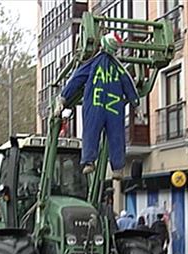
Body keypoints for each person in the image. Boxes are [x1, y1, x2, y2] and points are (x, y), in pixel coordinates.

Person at [54, 32, 140, 180]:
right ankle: (116, 167)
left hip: (95, 104)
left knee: (91, 131)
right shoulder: (119, 68)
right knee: (115, 135)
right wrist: (135, 103)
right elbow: (129, 85)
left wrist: (63, 98)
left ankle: (90, 161)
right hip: (114, 107)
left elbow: (77, 78)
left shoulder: (93, 64)